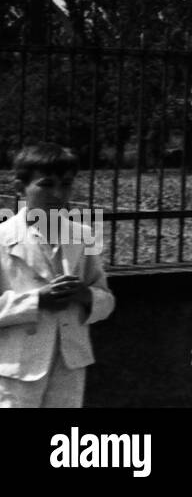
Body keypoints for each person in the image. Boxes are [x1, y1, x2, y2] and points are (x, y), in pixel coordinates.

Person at [0, 143, 115, 408]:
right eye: (46, 184)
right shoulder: (3, 239)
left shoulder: (82, 235)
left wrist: (85, 295)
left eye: (66, 184)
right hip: (17, 368)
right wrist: (36, 300)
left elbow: (106, 300)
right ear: (20, 187)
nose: (57, 194)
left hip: (69, 362)